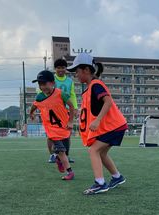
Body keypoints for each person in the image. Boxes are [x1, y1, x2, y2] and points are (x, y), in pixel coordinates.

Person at [67, 53, 127, 195]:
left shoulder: (96, 84)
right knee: (101, 153)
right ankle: (117, 177)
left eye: (77, 71)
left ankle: (100, 183)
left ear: (86, 70)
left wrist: (98, 120)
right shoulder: (89, 88)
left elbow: (108, 101)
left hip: (114, 126)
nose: (76, 75)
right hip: (115, 126)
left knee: (94, 151)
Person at [29, 70, 76, 180]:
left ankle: (59, 160)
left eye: (45, 83)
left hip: (64, 128)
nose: (42, 87)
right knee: (61, 151)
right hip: (52, 130)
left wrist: (70, 121)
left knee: (65, 150)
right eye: (40, 84)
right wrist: (31, 113)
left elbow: (72, 107)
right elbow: (34, 105)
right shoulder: (39, 97)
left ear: (52, 83)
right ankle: (70, 172)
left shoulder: (60, 93)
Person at [48, 58, 78, 164]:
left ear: (66, 69)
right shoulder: (51, 79)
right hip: (52, 112)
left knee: (67, 135)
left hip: (65, 112)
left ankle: (66, 155)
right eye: (58, 68)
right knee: (51, 135)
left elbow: (72, 95)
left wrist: (75, 108)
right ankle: (52, 155)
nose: (61, 70)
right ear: (55, 69)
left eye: (63, 68)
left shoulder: (70, 81)